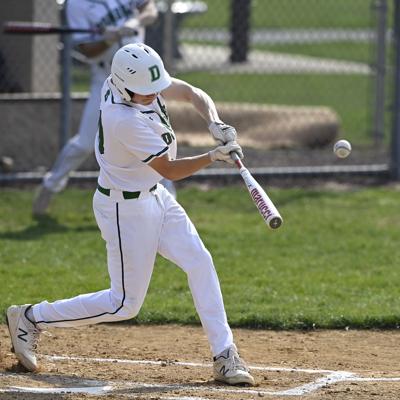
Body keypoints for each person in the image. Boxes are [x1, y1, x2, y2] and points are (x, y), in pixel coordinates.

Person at [7, 43, 255, 386]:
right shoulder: (121, 118)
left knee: (200, 260)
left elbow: (191, 92)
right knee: (123, 304)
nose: (153, 97)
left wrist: (214, 121)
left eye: (155, 90)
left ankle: (225, 354)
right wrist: (213, 157)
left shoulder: (141, 82)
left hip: (156, 197)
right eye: (145, 94)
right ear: (124, 88)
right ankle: (31, 317)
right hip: (125, 209)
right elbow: (169, 169)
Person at [31, 0, 178, 216]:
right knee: (84, 144)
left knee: (157, 140)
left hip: (142, 80)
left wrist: (135, 20)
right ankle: (50, 185)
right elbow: (87, 50)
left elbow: (151, 9)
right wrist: (109, 39)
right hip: (106, 81)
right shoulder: (76, 5)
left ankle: (169, 206)